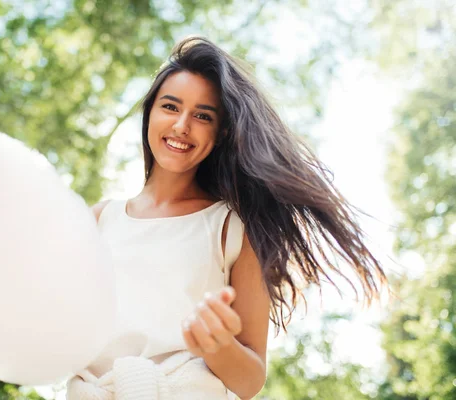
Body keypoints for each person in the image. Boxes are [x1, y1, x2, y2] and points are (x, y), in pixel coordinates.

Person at [66, 36, 387, 400]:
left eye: (203, 115)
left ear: (220, 134)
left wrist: (216, 344)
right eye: (170, 107)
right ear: (150, 113)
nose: (182, 125)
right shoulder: (98, 219)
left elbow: (250, 380)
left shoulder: (233, 228)